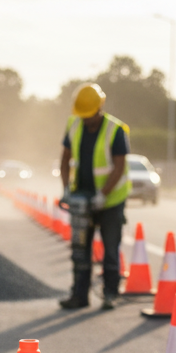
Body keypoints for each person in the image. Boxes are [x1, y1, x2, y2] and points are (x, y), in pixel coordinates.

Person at [58, 83, 131, 311]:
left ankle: (110, 293)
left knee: (110, 249)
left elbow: (119, 167)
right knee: (80, 250)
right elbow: (65, 160)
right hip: (82, 198)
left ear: (100, 108)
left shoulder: (115, 130)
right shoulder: (74, 125)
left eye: (89, 116)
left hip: (110, 201)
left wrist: (103, 195)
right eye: (83, 116)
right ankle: (79, 295)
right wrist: (67, 190)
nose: (86, 120)